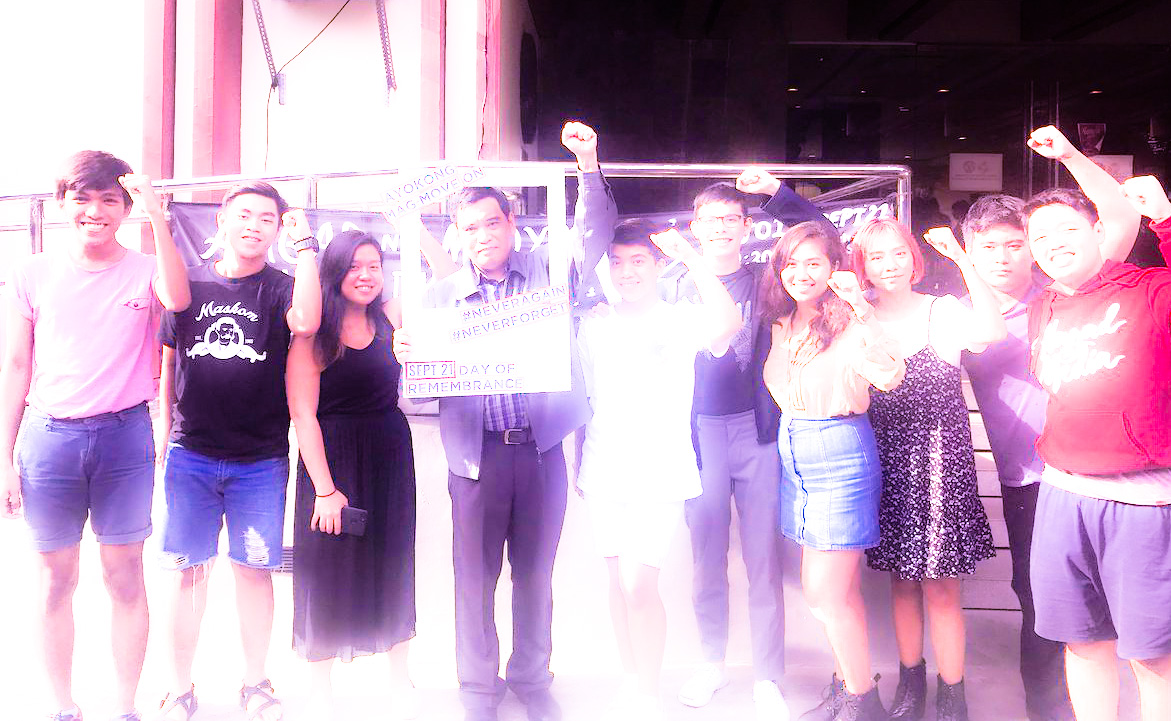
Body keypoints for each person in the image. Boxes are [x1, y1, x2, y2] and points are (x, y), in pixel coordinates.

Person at [392, 121, 615, 721]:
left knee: (535, 574)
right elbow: (421, 394)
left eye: (492, 222)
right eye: (469, 228)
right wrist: (411, 358)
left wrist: (587, 165)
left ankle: (532, 678)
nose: (483, 235)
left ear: (512, 224)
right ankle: (477, 690)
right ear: (457, 237)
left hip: (539, 452)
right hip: (476, 458)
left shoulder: (547, 272)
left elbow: (594, 235)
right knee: (474, 579)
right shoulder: (438, 299)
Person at [0, 152, 190, 721]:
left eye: (110, 200)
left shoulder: (145, 269)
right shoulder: (31, 273)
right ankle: (63, 706)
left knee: (124, 574)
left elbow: (178, 300)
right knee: (55, 579)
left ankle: (125, 706)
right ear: (62, 203)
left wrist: (156, 214)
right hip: (49, 439)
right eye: (82, 198)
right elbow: (15, 365)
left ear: (125, 209)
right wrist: (4, 458)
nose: (95, 211)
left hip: (124, 437)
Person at [156, 181, 322, 721]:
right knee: (187, 572)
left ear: (277, 230)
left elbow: (308, 323)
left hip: (260, 461)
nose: (254, 225)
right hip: (191, 456)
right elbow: (168, 362)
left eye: (266, 218)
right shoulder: (189, 285)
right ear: (222, 220)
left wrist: (306, 246)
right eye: (244, 214)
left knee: (253, 571)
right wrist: (163, 434)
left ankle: (256, 683)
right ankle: (179, 689)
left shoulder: (280, 289)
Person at [668, 170, 829, 719]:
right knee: (706, 557)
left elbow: (822, 238)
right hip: (697, 433)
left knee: (763, 559)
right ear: (694, 227)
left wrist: (776, 193)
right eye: (710, 220)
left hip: (756, 431)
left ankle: (767, 676)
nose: (721, 228)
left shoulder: (767, 280)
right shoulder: (673, 282)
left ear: (746, 227)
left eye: (731, 219)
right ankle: (711, 663)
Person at [1023, 156, 1170, 721]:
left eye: (1066, 229)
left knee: (1153, 654)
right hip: (1063, 494)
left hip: (1142, 502)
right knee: (1082, 640)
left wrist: (1166, 222)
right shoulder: (1045, 306)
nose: (1053, 243)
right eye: (1040, 237)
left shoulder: (1150, 288)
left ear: (1099, 231)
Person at [575, 220, 741, 721]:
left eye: (638, 261)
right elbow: (587, 393)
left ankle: (648, 695)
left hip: (661, 472)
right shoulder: (594, 324)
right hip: (603, 468)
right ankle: (632, 680)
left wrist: (690, 256)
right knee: (616, 582)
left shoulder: (680, 319)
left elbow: (728, 322)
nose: (627, 272)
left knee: (637, 583)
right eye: (617, 262)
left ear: (658, 265)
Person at [852, 217, 1003, 721]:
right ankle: (909, 683)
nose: (889, 265)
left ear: (915, 258)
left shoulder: (942, 310)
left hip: (941, 461)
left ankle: (953, 694)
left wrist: (962, 259)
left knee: (941, 585)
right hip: (887, 461)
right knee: (901, 581)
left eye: (898, 252)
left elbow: (992, 330)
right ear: (862, 266)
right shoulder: (854, 314)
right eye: (876, 256)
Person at [759, 222, 904, 721]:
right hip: (796, 457)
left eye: (813, 263)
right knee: (840, 593)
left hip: (840, 453)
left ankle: (864, 704)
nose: (801, 273)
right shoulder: (781, 323)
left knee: (823, 594)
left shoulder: (849, 321)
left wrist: (862, 309)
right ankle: (848, 687)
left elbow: (890, 374)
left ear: (834, 268)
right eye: (791, 263)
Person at [286, 229, 417, 719]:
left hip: (389, 453)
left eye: (374, 266)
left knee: (393, 559)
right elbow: (303, 415)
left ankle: (400, 679)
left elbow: (449, 287)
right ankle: (320, 690)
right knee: (325, 570)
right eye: (354, 266)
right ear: (335, 272)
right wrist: (325, 490)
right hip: (331, 459)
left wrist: (417, 226)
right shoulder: (314, 333)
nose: (365, 275)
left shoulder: (393, 316)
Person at [958, 194, 1075, 721]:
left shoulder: (1064, 297)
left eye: (1014, 244)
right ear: (969, 253)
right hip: (1025, 478)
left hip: (1091, 475)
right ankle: (1049, 710)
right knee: (1035, 595)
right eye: (988, 247)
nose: (1002, 257)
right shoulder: (961, 319)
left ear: (1033, 247)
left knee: (1095, 596)